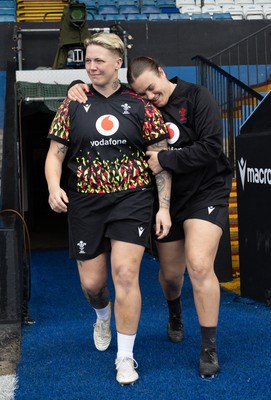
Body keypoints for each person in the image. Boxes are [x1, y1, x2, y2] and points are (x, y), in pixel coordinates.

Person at [67, 55, 233, 379]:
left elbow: (211, 147)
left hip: (206, 191)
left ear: (161, 70)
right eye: (144, 95)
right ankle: (175, 310)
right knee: (172, 277)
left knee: (198, 264)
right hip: (167, 199)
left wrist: (167, 158)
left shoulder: (198, 97)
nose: (151, 99)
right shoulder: (141, 109)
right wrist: (77, 88)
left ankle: (209, 347)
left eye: (154, 91)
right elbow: (106, 96)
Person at [45, 35, 172, 386]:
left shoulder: (141, 106)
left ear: (118, 62)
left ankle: (126, 356)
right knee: (93, 284)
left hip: (132, 198)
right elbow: (56, 153)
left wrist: (163, 208)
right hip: (86, 201)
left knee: (126, 274)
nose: (92, 67)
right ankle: (102, 315)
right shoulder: (72, 103)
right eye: (88, 61)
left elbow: (159, 159)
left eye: (99, 60)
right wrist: (54, 187)